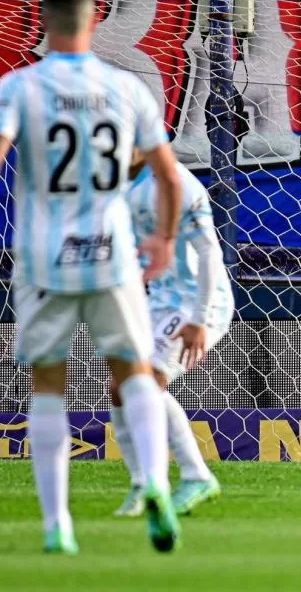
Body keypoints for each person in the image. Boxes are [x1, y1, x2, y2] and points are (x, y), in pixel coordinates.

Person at [0, 0, 182, 554]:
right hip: (111, 253)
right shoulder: (126, 87)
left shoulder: (20, 86)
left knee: (48, 383)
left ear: (41, 20)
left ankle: (58, 524)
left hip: (43, 258)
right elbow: (169, 176)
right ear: (95, 17)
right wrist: (166, 240)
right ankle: (153, 480)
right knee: (133, 369)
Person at [109, 154, 233, 517]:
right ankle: (140, 485)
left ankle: (196, 475)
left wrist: (199, 318)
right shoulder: (114, 180)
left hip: (199, 302)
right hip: (159, 299)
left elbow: (210, 251)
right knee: (119, 386)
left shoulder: (176, 183)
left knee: (147, 381)